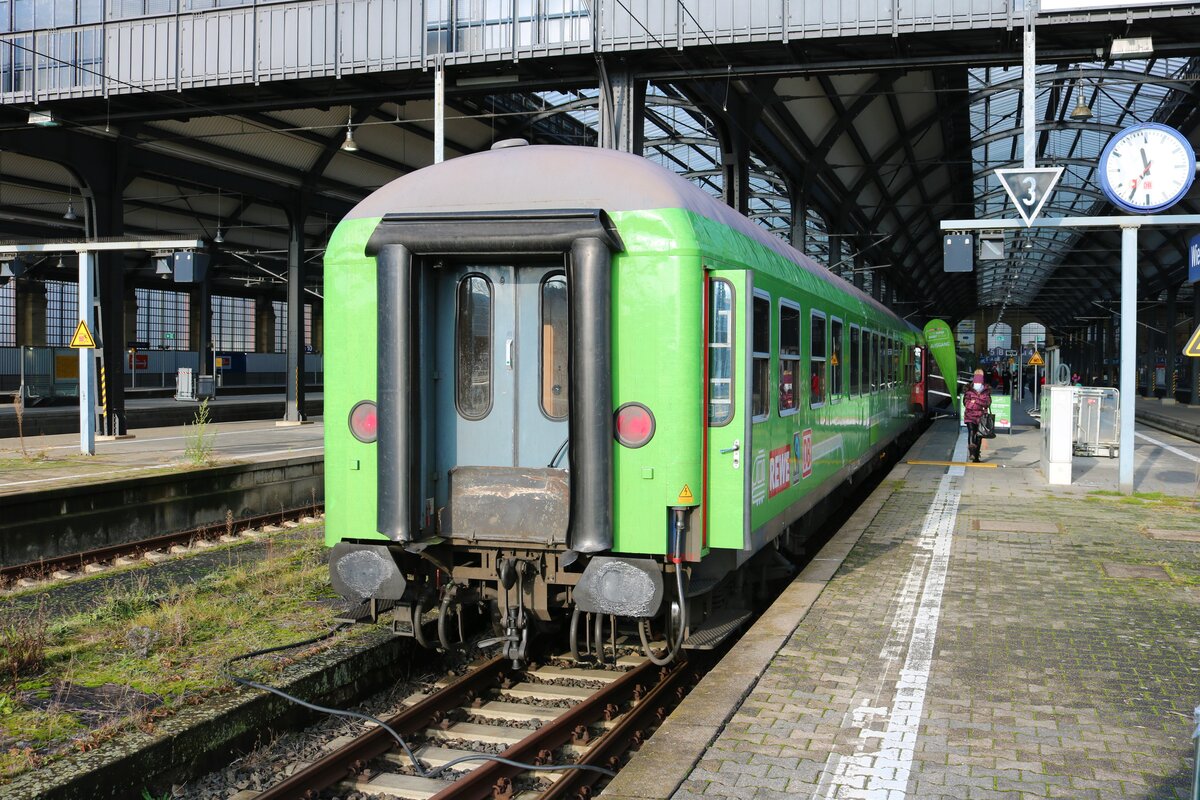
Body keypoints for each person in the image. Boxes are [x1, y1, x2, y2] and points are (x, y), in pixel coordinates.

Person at [963, 367, 992, 463]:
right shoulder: (969, 390)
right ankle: (973, 454)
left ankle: (975, 455)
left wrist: (975, 401)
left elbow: (987, 403)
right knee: (973, 432)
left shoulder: (986, 390)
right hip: (971, 416)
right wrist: (980, 403)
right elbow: (967, 404)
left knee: (978, 435)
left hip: (980, 417)